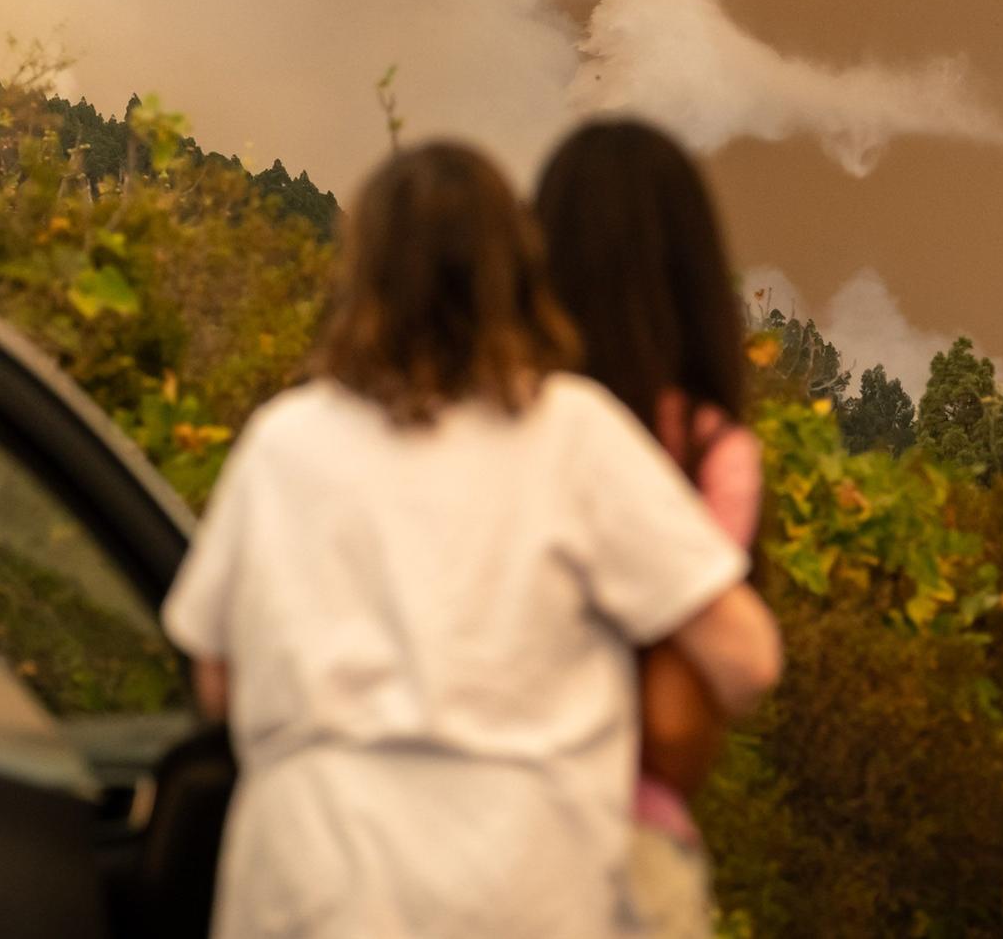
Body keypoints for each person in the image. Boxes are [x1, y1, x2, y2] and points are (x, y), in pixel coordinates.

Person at [161, 141, 781, 938]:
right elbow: (746, 658)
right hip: (519, 882)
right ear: (520, 273)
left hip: (308, 878)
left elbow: (215, 679)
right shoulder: (574, 434)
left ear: (361, 273)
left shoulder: (285, 440)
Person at [533, 118, 764, 939]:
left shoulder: (476, 422)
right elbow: (669, 725)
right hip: (616, 859)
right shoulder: (704, 453)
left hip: (441, 838)